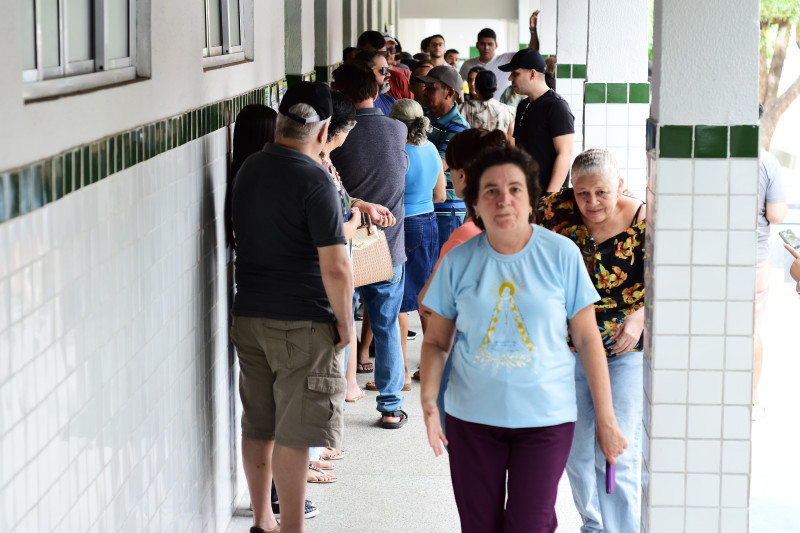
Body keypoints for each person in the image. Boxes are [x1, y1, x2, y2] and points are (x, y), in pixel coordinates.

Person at [420, 146, 626, 533]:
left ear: (531, 198)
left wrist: (606, 419)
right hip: (471, 419)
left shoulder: (562, 254)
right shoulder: (458, 262)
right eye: (491, 191)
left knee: (529, 524)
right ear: (475, 204)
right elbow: (435, 342)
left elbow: (587, 339)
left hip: (546, 419)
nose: (504, 200)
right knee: (479, 525)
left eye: (515, 189)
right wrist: (430, 401)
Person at [231, 81, 352, 533]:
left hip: (251, 315)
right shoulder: (314, 178)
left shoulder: (249, 169)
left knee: (258, 424)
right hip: (302, 321)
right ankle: (294, 528)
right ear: (322, 133)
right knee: (296, 431)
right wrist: (346, 323)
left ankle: (264, 520)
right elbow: (337, 267)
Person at [538, 148, 645, 533]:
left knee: (615, 450)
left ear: (619, 185)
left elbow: (670, 280)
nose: (592, 202)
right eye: (583, 193)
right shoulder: (554, 211)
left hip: (623, 349)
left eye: (602, 192)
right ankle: (594, 524)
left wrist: (641, 314)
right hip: (568, 347)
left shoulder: (643, 220)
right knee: (577, 451)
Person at [330, 62, 409, 429]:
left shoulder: (332, 136)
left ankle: (334, 406)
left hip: (343, 245)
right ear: (376, 92)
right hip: (386, 246)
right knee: (387, 325)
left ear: (339, 95)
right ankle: (391, 407)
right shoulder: (397, 129)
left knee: (340, 324)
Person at [413, 128, 507, 388]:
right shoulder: (524, 226)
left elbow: (428, 303)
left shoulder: (465, 236)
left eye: (450, 168)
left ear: (462, 176)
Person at [389, 98, 447, 388]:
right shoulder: (434, 150)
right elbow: (441, 197)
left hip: (405, 225)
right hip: (429, 223)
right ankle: (431, 367)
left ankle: (400, 376)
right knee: (426, 299)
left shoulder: (400, 154)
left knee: (400, 301)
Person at [500, 48, 574, 194]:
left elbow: (565, 153)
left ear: (532, 74)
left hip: (547, 196)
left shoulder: (557, 106)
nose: (510, 78)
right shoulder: (523, 105)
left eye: (515, 73)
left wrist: (549, 196)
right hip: (525, 192)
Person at [414, 65, 470, 249]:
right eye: (425, 87)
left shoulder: (458, 128)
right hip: (424, 205)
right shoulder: (421, 116)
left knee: (442, 266)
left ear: (449, 92)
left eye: (431, 88)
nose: (425, 92)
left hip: (446, 210)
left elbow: (436, 167)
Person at [754, 114, 787, 416]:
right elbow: (776, 215)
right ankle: (751, 399)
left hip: (710, 258)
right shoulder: (767, 162)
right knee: (749, 330)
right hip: (753, 259)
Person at [459, 11, 540, 97]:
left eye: (490, 44)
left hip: (501, 108)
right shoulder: (468, 64)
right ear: (477, 45)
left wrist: (533, 30)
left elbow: (532, 52)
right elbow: (458, 87)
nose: (486, 48)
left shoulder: (507, 59)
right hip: (475, 108)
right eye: (483, 44)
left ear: (496, 45)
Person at [357, 30, 413, 101]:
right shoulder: (344, 82)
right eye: (372, 55)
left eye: (392, 50)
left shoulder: (399, 79)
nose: (388, 54)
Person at [459, 70, 515, 139]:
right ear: (496, 86)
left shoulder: (463, 108)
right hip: (499, 150)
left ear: (475, 88)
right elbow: (510, 142)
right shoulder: (509, 112)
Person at [353, 51, 396, 116]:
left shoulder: (390, 102)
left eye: (388, 69)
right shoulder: (348, 105)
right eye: (384, 70)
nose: (389, 74)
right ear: (366, 70)